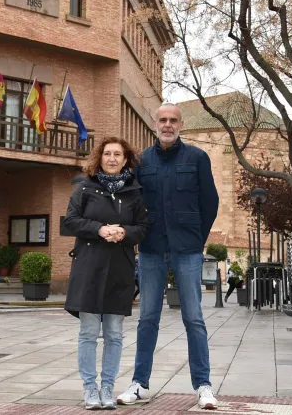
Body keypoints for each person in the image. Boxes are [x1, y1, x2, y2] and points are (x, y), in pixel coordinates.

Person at [117, 103, 220, 410]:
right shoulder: (141, 161)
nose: (167, 124)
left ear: (181, 125)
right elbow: (131, 202)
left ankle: (203, 386)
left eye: (173, 120)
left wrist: (196, 239)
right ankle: (140, 384)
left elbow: (210, 203)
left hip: (187, 249)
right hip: (150, 249)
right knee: (147, 317)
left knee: (194, 319)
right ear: (154, 123)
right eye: (163, 119)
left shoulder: (198, 158)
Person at [63, 137, 149, 410]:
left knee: (114, 333)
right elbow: (71, 221)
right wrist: (100, 229)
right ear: (99, 158)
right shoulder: (85, 188)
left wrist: (125, 232)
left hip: (120, 268)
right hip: (88, 266)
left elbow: (144, 227)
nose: (112, 159)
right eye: (107, 154)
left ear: (126, 160)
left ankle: (108, 389)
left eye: (118, 155)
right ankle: (90, 390)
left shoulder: (135, 191)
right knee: (89, 332)